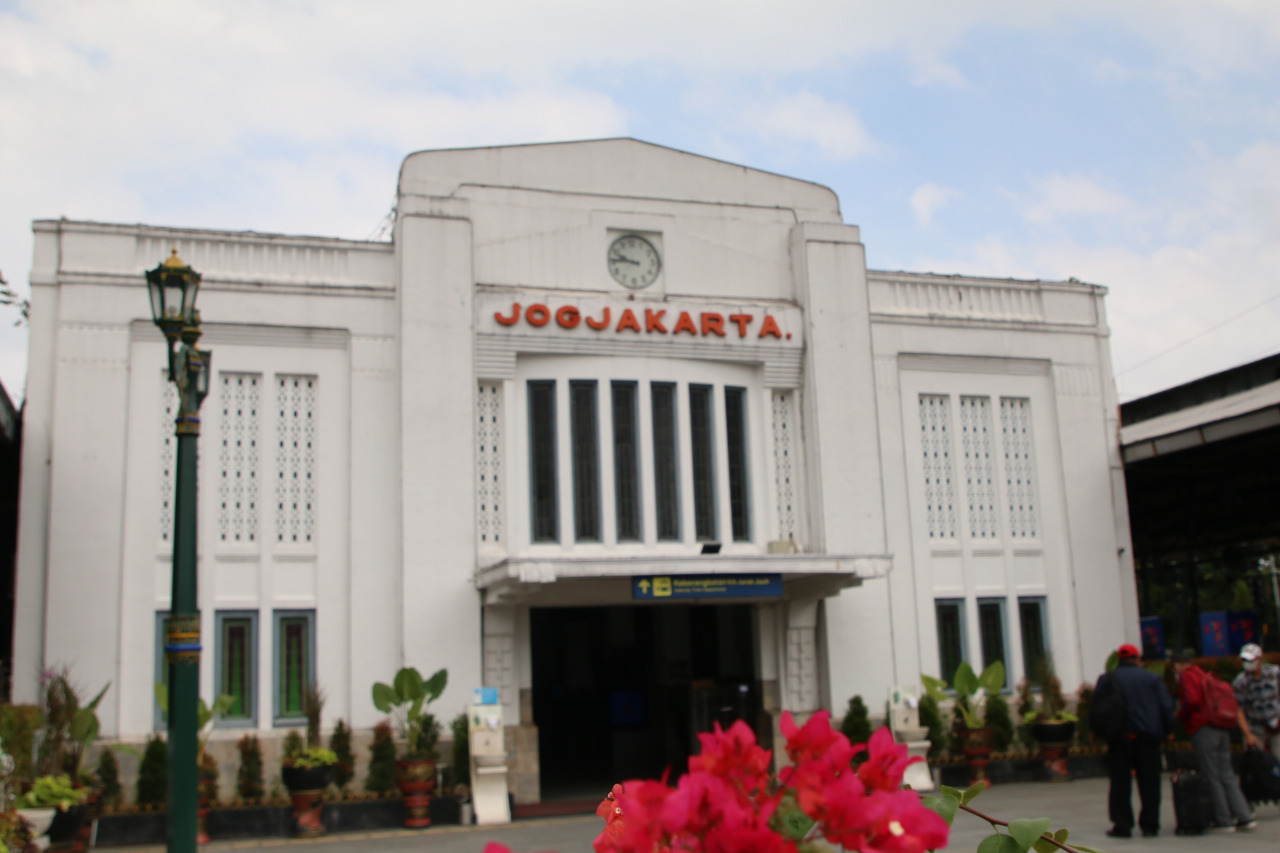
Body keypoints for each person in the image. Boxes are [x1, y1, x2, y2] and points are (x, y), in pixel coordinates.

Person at [1092, 643, 1174, 838]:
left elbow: (1096, 709)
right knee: (1150, 783)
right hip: (1147, 739)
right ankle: (1150, 824)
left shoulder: (1107, 679)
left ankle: (1122, 825)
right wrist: (1169, 730)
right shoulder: (1152, 678)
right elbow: (1166, 707)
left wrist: (1096, 732)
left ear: (1119, 659)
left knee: (1120, 784)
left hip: (1118, 738)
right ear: (1137, 659)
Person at [1171, 652, 1257, 832]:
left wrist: (1180, 716)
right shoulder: (1204, 674)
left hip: (1203, 728)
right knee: (1227, 774)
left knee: (1212, 775)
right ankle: (1244, 816)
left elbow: (1192, 699)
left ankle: (1223, 819)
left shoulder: (1188, 676)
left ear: (1178, 665)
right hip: (1221, 726)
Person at [1232, 642, 1280, 755]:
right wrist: (1247, 735)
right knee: (1255, 764)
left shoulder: (1275, 673)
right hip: (1255, 728)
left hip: (1276, 724)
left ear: (1260, 660)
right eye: (1245, 661)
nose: (1247, 664)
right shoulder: (1240, 682)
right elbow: (1239, 710)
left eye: (1250, 660)